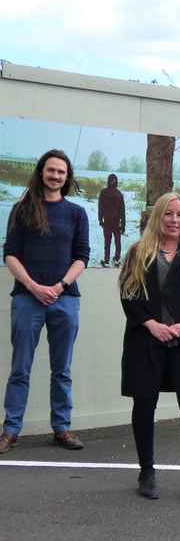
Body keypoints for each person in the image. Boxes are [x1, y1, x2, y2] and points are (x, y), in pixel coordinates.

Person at [119, 192, 180, 504]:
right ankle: (146, 471)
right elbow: (128, 293)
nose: (174, 220)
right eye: (168, 214)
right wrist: (151, 324)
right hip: (147, 341)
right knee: (144, 404)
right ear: (157, 217)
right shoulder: (138, 252)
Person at [0, 150, 90, 455]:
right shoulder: (22, 210)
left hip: (65, 301)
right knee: (20, 369)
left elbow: (82, 257)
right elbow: (10, 254)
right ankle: (11, 431)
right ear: (41, 173)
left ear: (67, 178)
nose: (55, 176)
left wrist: (60, 285)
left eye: (61, 172)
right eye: (51, 171)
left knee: (61, 369)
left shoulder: (77, 213)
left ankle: (61, 428)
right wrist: (33, 286)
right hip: (27, 299)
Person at [98, 173, 126, 267]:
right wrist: (123, 225)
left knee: (108, 241)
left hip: (107, 222)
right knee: (117, 241)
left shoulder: (103, 192)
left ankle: (106, 260)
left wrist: (100, 219)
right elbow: (122, 211)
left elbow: (100, 207)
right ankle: (116, 260)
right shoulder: (119, 194)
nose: (112, 182)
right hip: (116, 222)